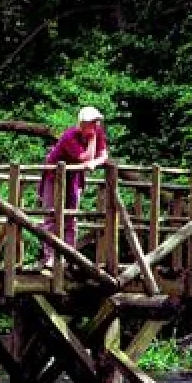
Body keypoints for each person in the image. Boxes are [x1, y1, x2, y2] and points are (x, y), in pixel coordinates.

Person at [38, 106, 110, 265]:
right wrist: (92, 144)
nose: (95, 125)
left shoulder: (97, 132)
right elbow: (85, 158)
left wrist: (95, 162)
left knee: (71, 218)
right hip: (54, 177)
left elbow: (104, 155)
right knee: (51, 216)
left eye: (96, 122)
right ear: (83, 123)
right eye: (92, 122)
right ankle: (50, 257)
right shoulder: (70, 135)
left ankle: (69, 255)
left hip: (74, 178)